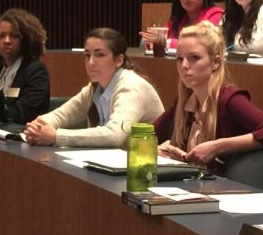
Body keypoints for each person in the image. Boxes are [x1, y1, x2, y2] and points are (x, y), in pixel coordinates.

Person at [153, 22, 263, 170]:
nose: (184, 66)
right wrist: (158, 151)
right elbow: (147, 135)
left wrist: (217, 147)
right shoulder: (184, 102)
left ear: (216, 62)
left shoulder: (230, 99)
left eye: (194, 58)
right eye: (179, 59)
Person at [24, 28, 164, 147]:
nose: (91, 62)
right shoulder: (95, 87)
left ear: (119, 60)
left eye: (99, 55)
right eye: (87, 55)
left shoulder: (131, 87)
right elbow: (62, 115)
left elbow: (115, 135)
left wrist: (57, 136)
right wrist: (39, 126)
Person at [140, 0, 223, 49]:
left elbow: (202, 44)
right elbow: (159, 43)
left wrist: (166, 43)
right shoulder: (176, 20)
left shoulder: (216, 15)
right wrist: (151, 41)